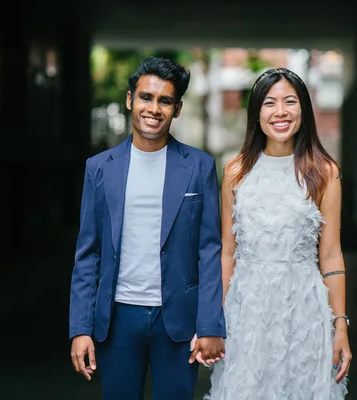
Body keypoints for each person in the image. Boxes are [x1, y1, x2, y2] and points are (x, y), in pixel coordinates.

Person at [69, 56, 226, 400]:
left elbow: (209, 250)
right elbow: (88, 253)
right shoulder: (99, 169)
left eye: (165, 101)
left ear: (177, 108)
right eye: (146, 97)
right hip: (118, 319)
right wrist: (80, 329)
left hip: (178, 323)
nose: (154, 109)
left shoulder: (199, 167)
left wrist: (211, 324)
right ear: (130, 100)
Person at [206, 68, 351, 400]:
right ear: (257, 112)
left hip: (304, 311)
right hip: (247, 312)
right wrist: (216, 321)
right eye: (270, 103)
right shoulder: (235, 171)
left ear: (304, 110)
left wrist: (340, 326)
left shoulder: (324, 173)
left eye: (290, 102)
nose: (281, 112)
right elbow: (228, 251)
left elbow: (330, 255)